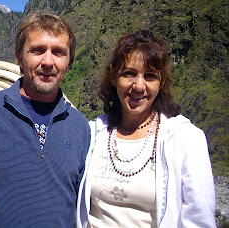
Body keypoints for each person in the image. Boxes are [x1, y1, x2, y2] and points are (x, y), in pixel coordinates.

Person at [0, 13, 91, 227]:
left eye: (58, 52)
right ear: (21, 58)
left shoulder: (79, 126)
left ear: (68, 63)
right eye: (37, 50)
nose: (48, 62)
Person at [77, 30, 216, 227]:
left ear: (162, 82)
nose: (139, 86)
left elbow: (199, 220)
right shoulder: (93, 133)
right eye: (129, 74)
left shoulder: (185, 139)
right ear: (113, 76)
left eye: (150, 76)